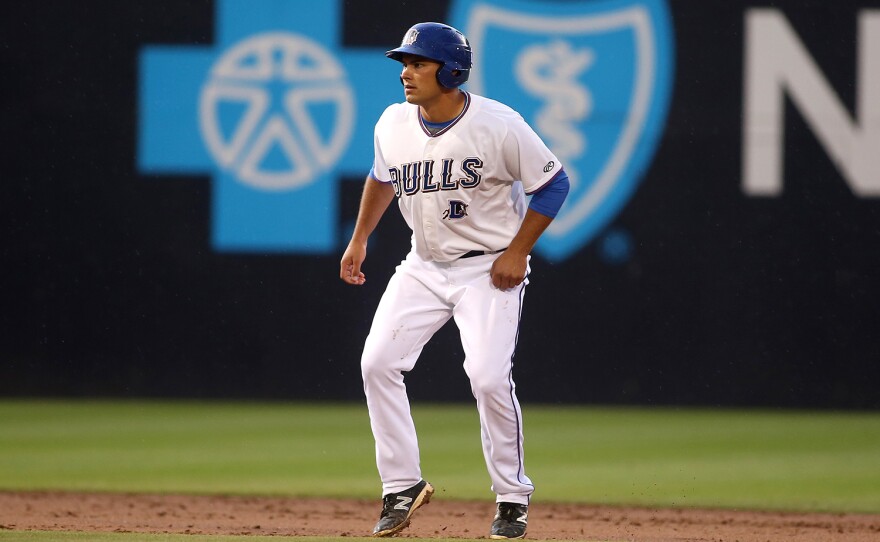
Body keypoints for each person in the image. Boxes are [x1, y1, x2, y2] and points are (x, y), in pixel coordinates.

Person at [339, 22, 570, 540]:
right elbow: (382, 179)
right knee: (376, 362)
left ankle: (512, 498)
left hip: (487, 268)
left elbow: (554, 183)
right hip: (422, 265)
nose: (407, 73)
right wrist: (360, 240)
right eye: (405, 63)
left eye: (419, 63)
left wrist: (518, 251)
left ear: (451, 70)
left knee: (487, 377)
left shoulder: (498, 123)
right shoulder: (393, 123)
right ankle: (401, 485)